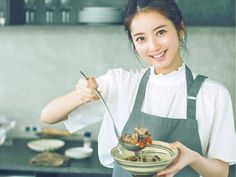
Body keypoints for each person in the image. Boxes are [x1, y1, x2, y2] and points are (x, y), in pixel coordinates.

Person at [41, 0, 236, 176]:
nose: (153, 47)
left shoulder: (214, 95)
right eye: (141, 38)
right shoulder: (120, 83)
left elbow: (221, 172)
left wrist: (193, 158)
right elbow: (48, 116)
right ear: (134, 44)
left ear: (180, 28)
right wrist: (80, 95)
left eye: (161, 32)